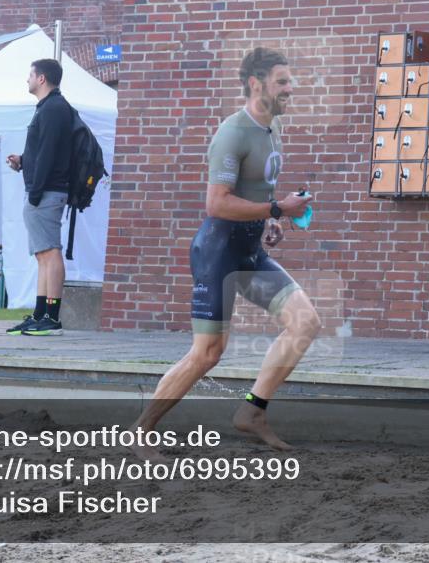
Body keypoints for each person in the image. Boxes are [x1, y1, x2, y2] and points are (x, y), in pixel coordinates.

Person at [130, 47, 321, 456]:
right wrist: (276, 208)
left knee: (305, 322)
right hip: (218, 252)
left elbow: (255, 191)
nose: (292, 88)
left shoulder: (271, 127)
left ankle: (252, 412)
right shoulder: (232, 132)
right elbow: (216, 203)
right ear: (257, 84)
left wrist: (270, 220)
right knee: (207, 354)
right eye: (283, 81)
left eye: (290, 81)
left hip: (249, 250)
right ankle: (141, 429)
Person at [5, 58, 75, 336]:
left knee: (50, 252)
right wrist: (23, 161)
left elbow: (48, 154)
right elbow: (45, 152)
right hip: (43, 188)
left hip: (47, 190)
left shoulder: (54, 109)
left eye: (30, 75)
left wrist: (35, 191)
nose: (27, 80)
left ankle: (52, 317)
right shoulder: (49, 108)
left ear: (42, 78)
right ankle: (39, 313)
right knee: (42, 255)